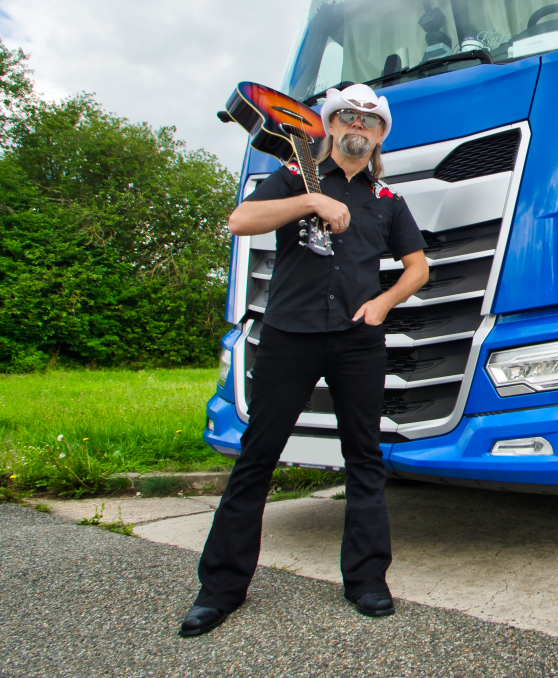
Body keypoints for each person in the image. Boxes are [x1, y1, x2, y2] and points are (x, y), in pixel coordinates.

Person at [179, 84, 429, 637]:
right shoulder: (296, 178)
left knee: (364, 459)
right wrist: (312, 202)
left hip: (357, 342)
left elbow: (418, 268)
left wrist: (384, 304)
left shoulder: (389, 202)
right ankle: (220, 590)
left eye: (370, 121)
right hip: (289, 338)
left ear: (381, 134)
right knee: (257, 458)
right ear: (329, 126)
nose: (358, 127)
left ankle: (367, 581)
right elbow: (239, 221)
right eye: (347, 117)